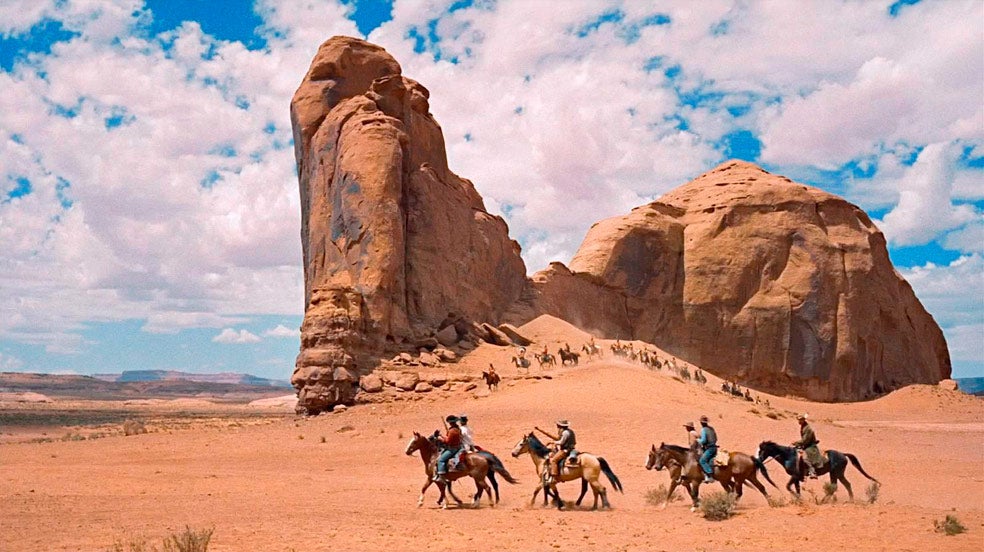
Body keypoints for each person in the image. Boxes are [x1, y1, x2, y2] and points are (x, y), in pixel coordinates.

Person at [433, 415, 463, 483]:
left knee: (441, 460)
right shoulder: (458, 429)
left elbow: (448, 441)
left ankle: (441, 476)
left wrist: (440, 438)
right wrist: (442, 435)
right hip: (458, 447)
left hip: (452, 449)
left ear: (450, 423)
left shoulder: (452, 431)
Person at [793, 413, 823, 479]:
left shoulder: (808, 428)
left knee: (805, 458)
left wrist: (796, 442)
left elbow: (805, 440)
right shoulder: (803, 427)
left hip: (810, 446)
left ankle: (812, 472)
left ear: (804, 420)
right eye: (798, 420)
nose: (799, 421)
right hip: (806, 445)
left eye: (801, 420)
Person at [697, 415, 718, 484]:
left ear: (701, 423)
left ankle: (710, 475)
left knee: (702, 461)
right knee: (710, 460)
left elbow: (703, 441)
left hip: (709, 448)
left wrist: (698, 440)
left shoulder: (703, 430)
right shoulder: (711, 428)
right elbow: (716, 438)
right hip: (714, 447)